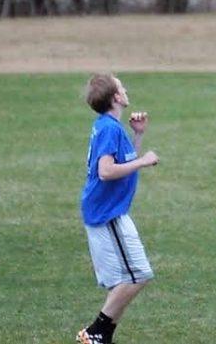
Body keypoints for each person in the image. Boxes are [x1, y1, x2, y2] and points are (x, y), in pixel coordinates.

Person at [76, 74, 159, 344]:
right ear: (116, 98)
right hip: (107, 213)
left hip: (108, 211)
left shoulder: (109, 126)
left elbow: (123, 162)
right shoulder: (110, 129)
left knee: (120, 281)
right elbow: (107, 171)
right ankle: (94, 331)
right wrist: (145, 161)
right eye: (121, 86)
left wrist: (138, 136)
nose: (125, 89)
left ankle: (101, 336)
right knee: (138, 274)